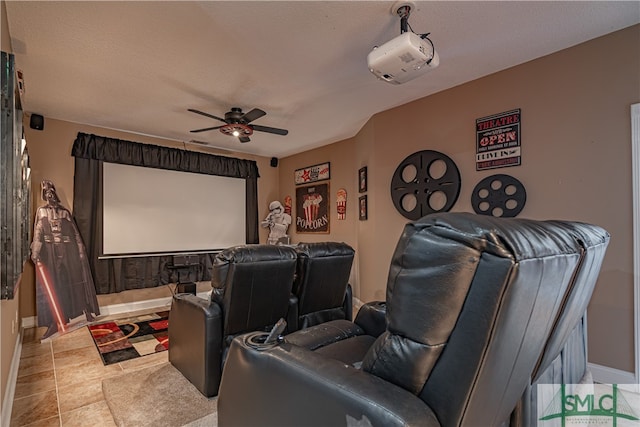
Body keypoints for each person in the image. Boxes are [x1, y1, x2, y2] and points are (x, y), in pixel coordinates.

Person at [31, 180, 100, 339]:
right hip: (50, 253)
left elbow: (75, 233)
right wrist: (35, 252)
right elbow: (38, 233)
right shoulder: (41, 212)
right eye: (46, 193)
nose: (49, 195)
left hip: (68, 252)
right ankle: (53, 322)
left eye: (51, 192)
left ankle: (85, 311)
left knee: (76, 282)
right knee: (53, 285)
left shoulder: (65, 212)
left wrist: (81, 251)